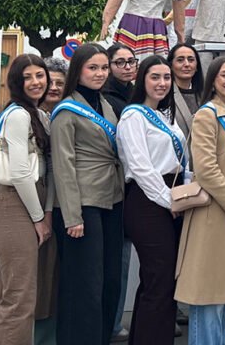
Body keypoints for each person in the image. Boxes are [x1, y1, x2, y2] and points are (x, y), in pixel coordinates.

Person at [50, 43, 125, 345]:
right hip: (83, 206)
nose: (99, 73)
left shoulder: (105, 105)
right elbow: (63, 166)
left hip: (113, 198)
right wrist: (72, 216)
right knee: (85, 287)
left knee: (109, 281)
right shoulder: (66, 110)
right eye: (92, 67)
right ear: (78, 70)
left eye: (104, 67)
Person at [176, 58, 225, 345]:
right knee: (208, 297)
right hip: (212, 214)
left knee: (224, 300)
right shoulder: (207, 115)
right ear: (212, 79)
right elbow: (206, 169)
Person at [117, 55, 190, 345]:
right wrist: (168, 201)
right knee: (159, 283)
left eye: (166, 78)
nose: (162, 83)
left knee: (158, 281)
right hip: (149, 202)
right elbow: (140, 167)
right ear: (142, 80)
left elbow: (179, 160)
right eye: (155, 77)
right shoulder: (133, 116)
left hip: (170, 197)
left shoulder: (165, 116)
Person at [0, 55, 54, 345]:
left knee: (5, 295)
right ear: (16, 82)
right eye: (28, 77)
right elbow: (21, 172)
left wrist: (44, 212)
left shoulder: (39, 114)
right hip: (15, 204)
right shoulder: (18, 115)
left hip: (28, 203)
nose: (36, 82)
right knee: (20, 299)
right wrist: (39, 217)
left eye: (40, 75)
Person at [100, 43, 137, 342]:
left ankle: (112, 322)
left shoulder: (133, 94)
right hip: (114, 190)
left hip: (129, 191)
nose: (126, 66)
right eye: (119, 62)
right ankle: (110, 324)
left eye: (130, 61)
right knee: (116, 262)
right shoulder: (109, 100)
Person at [35, 57, 68, 345]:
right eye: (50, 81)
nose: (54, 87)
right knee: (38, 279)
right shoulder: (29, 115)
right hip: (36, 207)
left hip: (61, 207)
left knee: (56, 278)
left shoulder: (65, 115)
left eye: (60, 82)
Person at [169, 43, 203, 139]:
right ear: (171, 65)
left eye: (191, 60)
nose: (187, 64)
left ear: (197, 66)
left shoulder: (206, 96)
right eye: (180, 60)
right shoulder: (164, 96)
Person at [103, 43, 138, 119]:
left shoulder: (137, 91)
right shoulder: (104, 96)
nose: (128, 67)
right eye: (120, 62)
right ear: (108, 66)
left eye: (131, 61)